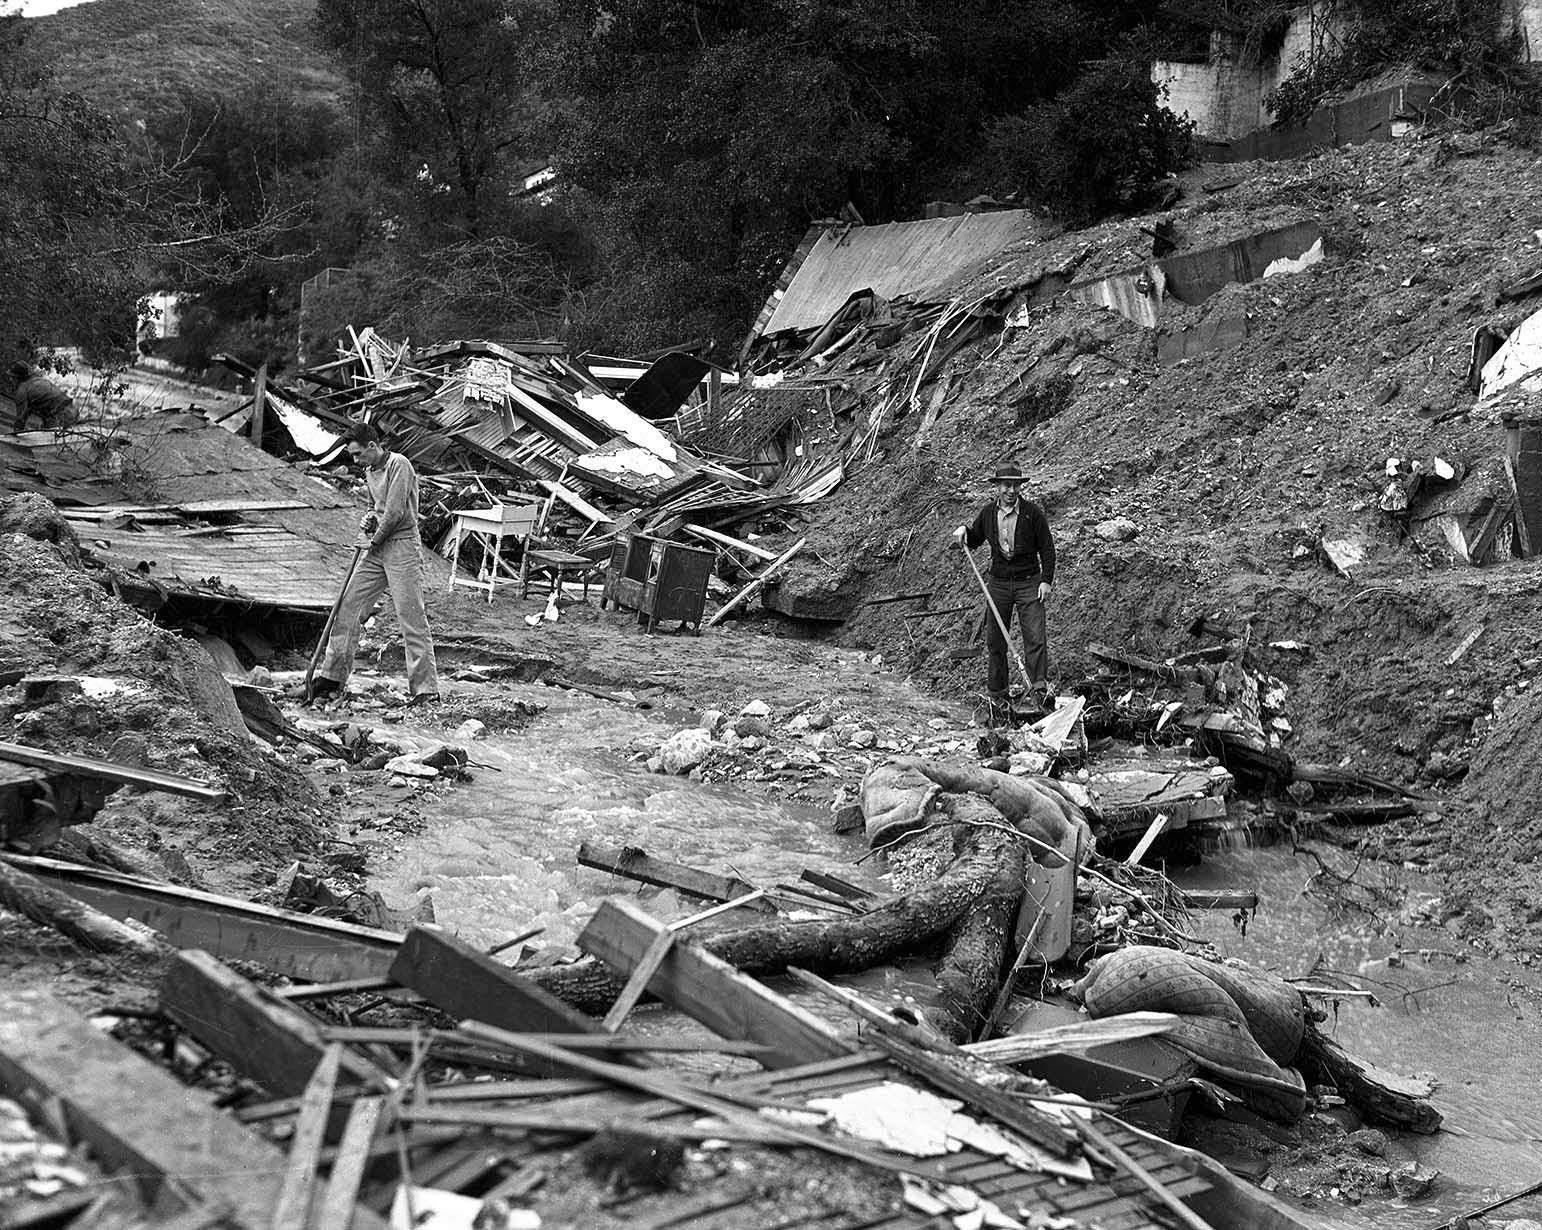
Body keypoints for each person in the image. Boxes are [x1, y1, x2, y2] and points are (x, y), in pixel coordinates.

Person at [311, 423, 440, 705]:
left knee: (411, 617)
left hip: (402, 545)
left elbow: (394, 512)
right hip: (377, 546)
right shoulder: (370, 472)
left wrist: (374, 538)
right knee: (348, 607)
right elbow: (376, 508)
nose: (356, 461)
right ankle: (331, 678)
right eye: (352, 456)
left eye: (358, 454)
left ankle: (425, 690)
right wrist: (368, 518)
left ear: (372, 446)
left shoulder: (399, 465)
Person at [952, 462, 1056, 716]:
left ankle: (1038, 691)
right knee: (996, 640)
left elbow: (1048, 549)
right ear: (997, 487)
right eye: (1006, 485)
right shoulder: (988, 513)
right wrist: (965, 530)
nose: (1011, 490)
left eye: (1015, 485)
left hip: (1029, 582)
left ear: (1020, 487)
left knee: (1035, 637)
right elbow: (976, 537)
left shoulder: (1033, 514)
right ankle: (998, 695)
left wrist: (1046, 580)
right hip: (998, 583)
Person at [9, 362, 77, 432]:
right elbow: (28, 410)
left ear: (16, 378)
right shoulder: (38, 380)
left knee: (50, 439)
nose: (10, 380)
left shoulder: (22, 390)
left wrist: (15, 434)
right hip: (72, 410)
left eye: (11, 377)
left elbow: (20, 419)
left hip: (60, 416)